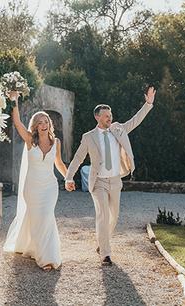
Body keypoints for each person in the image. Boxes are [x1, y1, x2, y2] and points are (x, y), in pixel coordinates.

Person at [65, 87, 156, 266]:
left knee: (114, 215)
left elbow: (135, 121)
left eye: (110, 115)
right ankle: (105, 254)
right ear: (97, 117)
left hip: (115, 180)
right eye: (106, 115)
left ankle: (101, 241)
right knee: (103, 215)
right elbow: (78, 158)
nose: (110, 118)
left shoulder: (119, 129)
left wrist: (148, 103)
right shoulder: (88, 137)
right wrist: (69, 177)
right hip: (98, 181)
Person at [3, 91, 68, 271]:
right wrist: (14, 101)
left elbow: (59, 163)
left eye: (45, 121)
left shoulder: (56, 142)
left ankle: (47, 257)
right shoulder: (30, 140)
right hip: (32, 187)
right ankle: (37, 252)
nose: (43, 124)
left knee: (46, 217)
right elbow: (17, 123)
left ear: (49, 124)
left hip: (49, 187)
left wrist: (68, 177)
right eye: (39, 122)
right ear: (35, 126)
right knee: (37, 218)